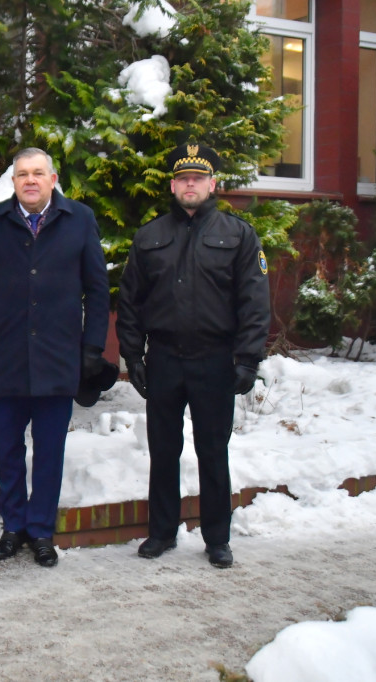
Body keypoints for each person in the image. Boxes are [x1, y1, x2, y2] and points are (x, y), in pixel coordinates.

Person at [116, 143, 270, 569]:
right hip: (164, 359)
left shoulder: (238, 235)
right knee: (163, 450)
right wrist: (135, 357)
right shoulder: (150, 236)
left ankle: (217, 537)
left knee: (212, 451)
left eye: (198, 179)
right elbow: (130, 303)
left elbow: (254, 303)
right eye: (183, 178)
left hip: (214, 360)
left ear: (211, 184)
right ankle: (162, 533)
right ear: (172, 185)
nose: (190, 184)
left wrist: (247, 359)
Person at [0, 148, 110, 567]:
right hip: (6, 356)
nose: (30, 180)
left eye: (38, 173)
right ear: (13, 181)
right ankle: (13, 526)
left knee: (49, 450)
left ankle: (41, 530)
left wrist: (92, 348)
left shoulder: (79, 219)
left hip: (58, 356)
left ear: (52, 178)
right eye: (22, 174)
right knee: (6, 448)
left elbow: (97, 290)